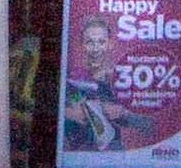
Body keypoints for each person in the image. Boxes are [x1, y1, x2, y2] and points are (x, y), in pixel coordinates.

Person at [63, 16, 153, 151]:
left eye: (101, 42)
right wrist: (68, 112)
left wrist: (123, 113)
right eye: (90, 42)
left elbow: (150, 125)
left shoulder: (122, 80)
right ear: (82, 44)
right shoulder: (72, 79)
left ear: (110, 44)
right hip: (77, 155)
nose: (95, 49)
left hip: (112, 154)